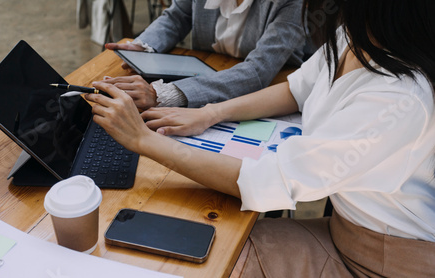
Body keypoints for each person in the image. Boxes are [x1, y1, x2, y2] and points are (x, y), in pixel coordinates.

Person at [85, 0, 435, 276]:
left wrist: (146, 142)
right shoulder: (356, 37)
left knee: (203, 254)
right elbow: (297, 89)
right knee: (188, 238)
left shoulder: (398, 99)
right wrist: (210, 113)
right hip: (348, 229)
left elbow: (268, 180)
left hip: (380, 261)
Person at [100, 0, 307, 110]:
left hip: (268, 89)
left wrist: (162, 94)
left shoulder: (293, 3)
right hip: (206, 71)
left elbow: (257, 72)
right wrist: (145, 47)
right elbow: (178, 16)